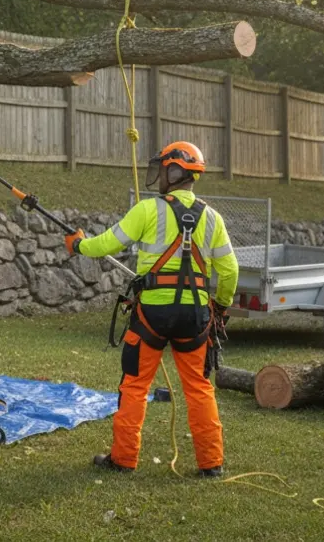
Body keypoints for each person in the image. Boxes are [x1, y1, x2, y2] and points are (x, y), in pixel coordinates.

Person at [64, 141, 238, 477]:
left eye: (163, 169)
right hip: (194, 317)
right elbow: (229, 271)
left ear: (175, 172)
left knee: (135, 384)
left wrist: (79, 245)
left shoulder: (148, 210)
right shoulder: (213, 218)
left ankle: (124, 459)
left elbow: (108, 243)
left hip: (152, 316)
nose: (158, 176)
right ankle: (211, 464)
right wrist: (220, 306)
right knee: (199, 388)